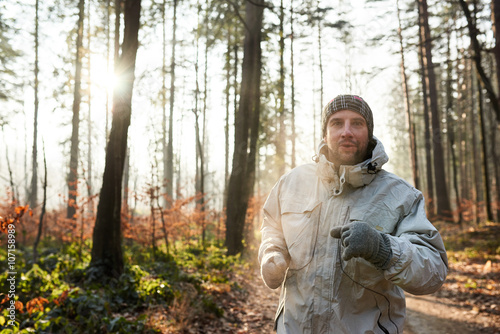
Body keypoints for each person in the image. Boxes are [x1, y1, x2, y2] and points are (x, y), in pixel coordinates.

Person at [258, 94, 448, 333]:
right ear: (325, 134)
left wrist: (383, 249)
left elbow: (433, 272)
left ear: (369, 133)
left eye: (357, 123)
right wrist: (271, 252)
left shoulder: (401, 195)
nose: (346, 131)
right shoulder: (291, 183)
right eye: (337, 123)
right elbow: (272, 228)